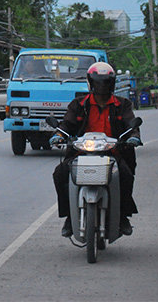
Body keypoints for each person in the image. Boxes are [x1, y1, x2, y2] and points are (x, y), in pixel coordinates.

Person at [50, 62, 142, 238]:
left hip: (112, 153)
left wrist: (133, 137)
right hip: (82, 153)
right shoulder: (78, 104)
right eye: (98, 82)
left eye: (106, 82)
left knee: (126, 175)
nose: (102, 86)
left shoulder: (122, 104)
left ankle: (123, 216)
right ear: (90, 83)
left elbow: (131, 124)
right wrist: (58, 135)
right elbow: (66, 124)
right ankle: (69, 216)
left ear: (112, 83)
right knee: (60, 173)